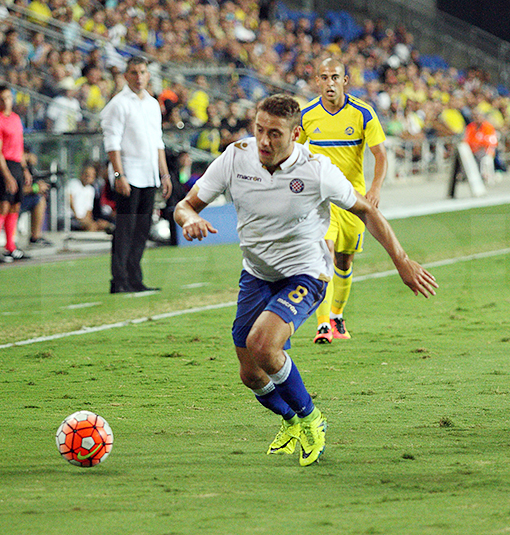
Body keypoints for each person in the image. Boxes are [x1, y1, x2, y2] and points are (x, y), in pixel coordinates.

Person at [174, 94, 437, 466]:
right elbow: (184, 205)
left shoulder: (316, 170)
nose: (264, 141)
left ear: (296, 134)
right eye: (260, 130)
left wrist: (403, 262)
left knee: (263, 345)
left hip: (306, 272)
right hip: (257, 274)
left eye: (275, 134)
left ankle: (312, 419)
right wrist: (189, 220)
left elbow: (366, 211)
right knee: (250, 373)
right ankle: (291, 420)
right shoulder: (236, 157)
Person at [299, 57, 388, 343]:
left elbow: (380, 154)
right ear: (317, 82)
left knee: (344, 260)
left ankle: (337, 315)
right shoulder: (307, 114)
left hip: (353, 199)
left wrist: (374, 188)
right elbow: (293, 152)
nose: (329, 83)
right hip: (321, 199)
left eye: (335, 77)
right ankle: (322, 324)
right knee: (323, 255)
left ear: (345, 81)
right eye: (323, 78)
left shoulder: (363, 113)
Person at [100, 56, 172, 293]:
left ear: (148, 75)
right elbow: (112, 142)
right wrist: (119, 174)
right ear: (125, 76)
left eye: (142, 72)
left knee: (142, 228)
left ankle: (134, 277)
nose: (138, 77)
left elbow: (157, 142)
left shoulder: (152, 103)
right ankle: (118, 280)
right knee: (125, 227)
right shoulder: (118, 104)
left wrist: (164, 174)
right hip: (129, 174)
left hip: (149, 174)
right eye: (133, 72)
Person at [0, 84, 30, 263]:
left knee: (15, 207)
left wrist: (25, 169)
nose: (6, 102)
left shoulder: (16, 119)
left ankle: (10, 247)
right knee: (2, 206)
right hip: (4, 167)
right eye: (2, 99)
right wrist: (7, 175)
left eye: (8, 98)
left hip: (17, 165)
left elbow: (19, 147)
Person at [67, 163, 114, 232]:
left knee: (104, 225)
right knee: (92, 226)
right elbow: (70, 201)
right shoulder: (73, 183)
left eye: (92, 175)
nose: (89, 177)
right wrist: (78, 217)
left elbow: (89, 210)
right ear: (82, 174)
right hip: (71, 219)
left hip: (83, 219)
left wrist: (88, 220)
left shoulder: (90, 190)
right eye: (87, 174)